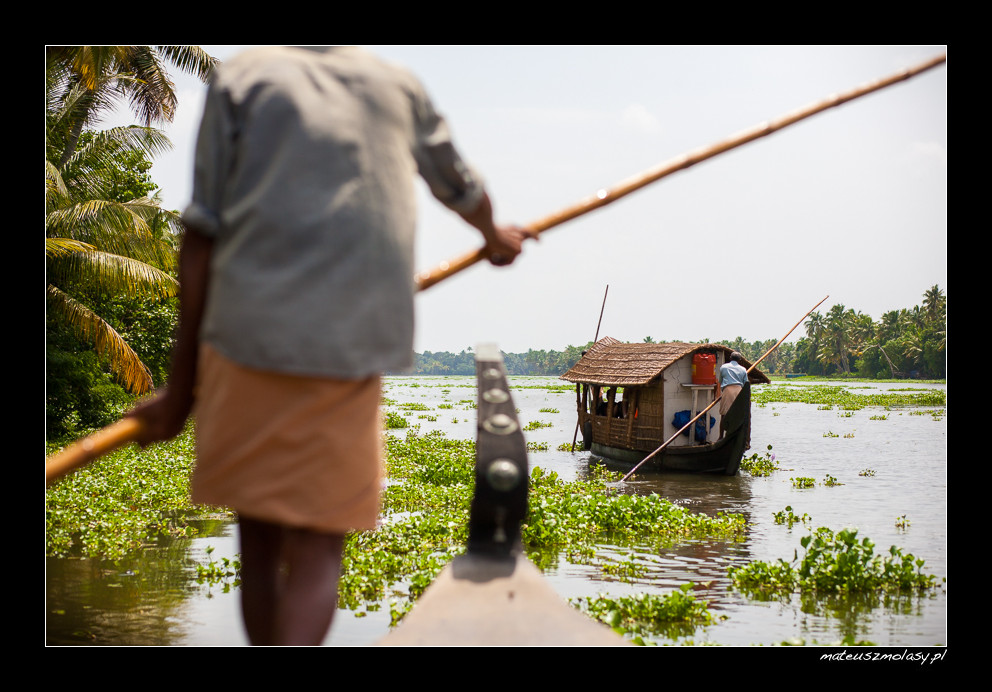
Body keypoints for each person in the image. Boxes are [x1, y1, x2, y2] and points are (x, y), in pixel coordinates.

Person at [125, 46, 533, 646]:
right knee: (319, 548)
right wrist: (493, 236)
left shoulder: (240, 78)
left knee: (260, 544)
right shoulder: (397, 85)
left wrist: (180, 390)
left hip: (246, 333)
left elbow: (201, 235)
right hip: (350, 341)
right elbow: (460, 185)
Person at [717, 351, 748, 417]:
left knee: (724, 414)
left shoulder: (723, 367)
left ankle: (723, 427)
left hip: (727, 390)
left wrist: (718, 395)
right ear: (739, 360)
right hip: (739, 392)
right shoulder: (743, 369)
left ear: (730, 358)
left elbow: (719, 382)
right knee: (737, 414)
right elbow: (746, 385)